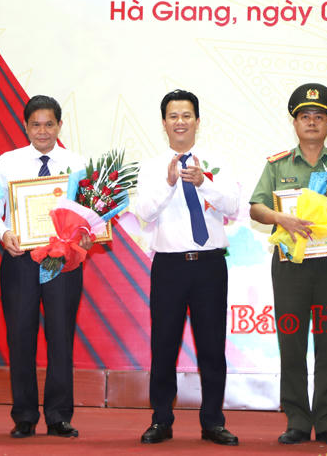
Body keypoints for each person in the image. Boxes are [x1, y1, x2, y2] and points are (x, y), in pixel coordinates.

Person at [248, 83, 327, 446]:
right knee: (291, 342)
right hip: (290, 267)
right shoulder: (278, 165)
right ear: (294, 123)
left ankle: (326, 421)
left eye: (319, 116)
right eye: (304, 116)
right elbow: (256, 207)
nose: (311, 122)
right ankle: (296, 419)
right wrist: (281, 218)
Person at [135, 89, 240, 446]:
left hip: (209, 265)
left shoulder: (217, 162)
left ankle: (213, 422)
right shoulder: (151, 167)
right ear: (164, 123)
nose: (180, 122)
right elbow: (144, 213)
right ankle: (161, 420)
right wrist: (169, 184)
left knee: (212, 347)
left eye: (186, 115)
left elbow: (233, 206)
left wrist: (203, 183)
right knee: (164, 345)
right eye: (173, 116)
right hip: (169, 266)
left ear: (197, 120)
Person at [0, 95, 90, 438]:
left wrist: (87, 234)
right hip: (20, 259)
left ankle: (59, 415)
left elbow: (90, 212)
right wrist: (3, 233)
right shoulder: (8, 162)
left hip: (62, 260)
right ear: (25, 126)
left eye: (49, 124)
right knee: (20, 336)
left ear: (60, 126)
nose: (42, 131)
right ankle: (24, 415)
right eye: (35, 125)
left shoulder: (76, 164)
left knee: (60, 336)